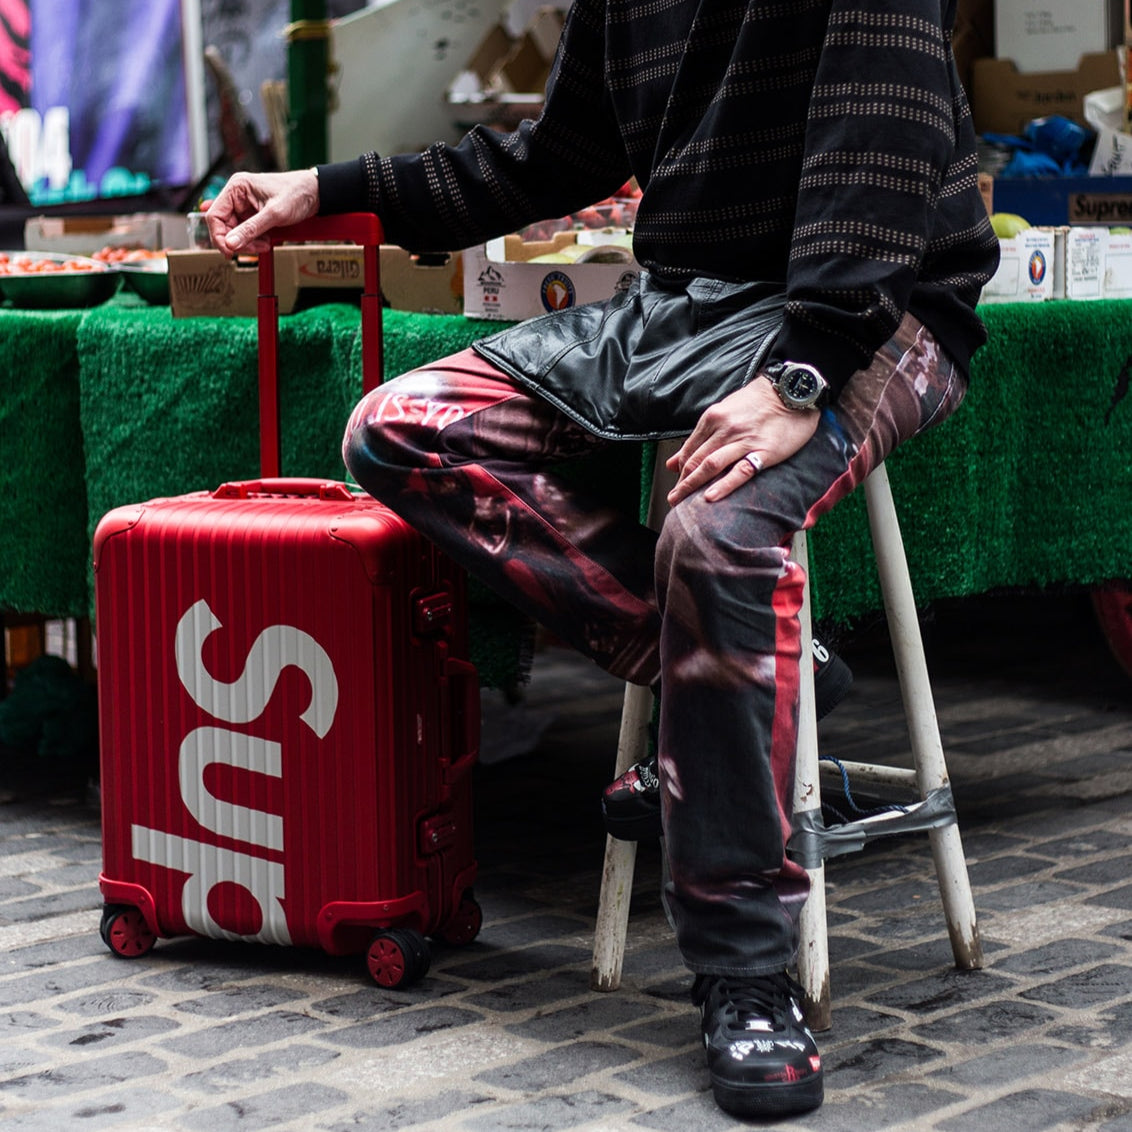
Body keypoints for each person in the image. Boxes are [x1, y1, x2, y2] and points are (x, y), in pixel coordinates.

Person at [205, 0, 998, 1117]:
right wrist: (329, 192)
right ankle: (726, 683)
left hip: (876, 312)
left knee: (717, 531)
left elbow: (883, 132)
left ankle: (745, 971)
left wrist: (806, 367)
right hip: (685, 305)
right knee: (403, 425)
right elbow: (550, 158)